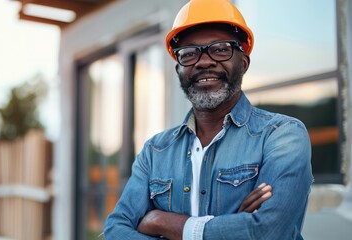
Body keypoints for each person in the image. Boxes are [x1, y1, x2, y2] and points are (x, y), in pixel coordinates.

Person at [104, 0, 313, 239]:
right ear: (179, 70)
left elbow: (267, 231)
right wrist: (232, 227)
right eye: (190, 53)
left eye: (221, 49)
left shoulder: (282, 136)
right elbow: (115, 231)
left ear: (243, 63)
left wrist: (160, 222)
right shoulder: (155, 151)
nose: (204, 61)